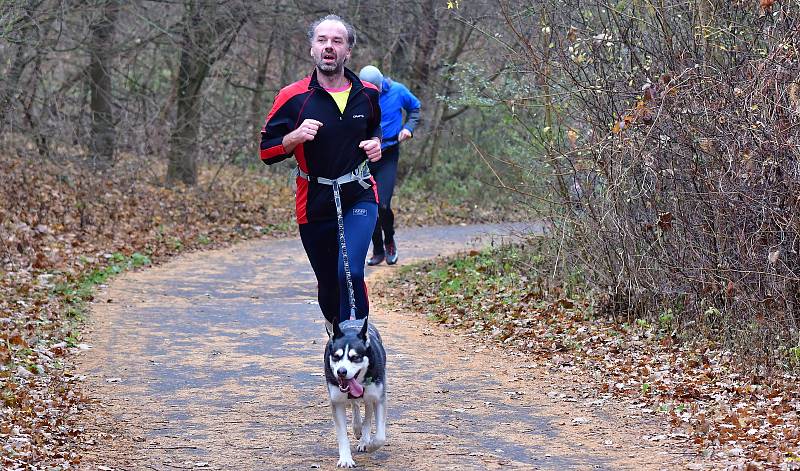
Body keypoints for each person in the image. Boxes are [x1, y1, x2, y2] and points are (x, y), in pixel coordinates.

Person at [259, 15, 382, 334]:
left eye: (337, 41)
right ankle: (335, 327)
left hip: (359, 193)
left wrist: (376, 144)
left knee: (350, 272)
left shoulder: (367, 93)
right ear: (312, 49)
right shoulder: (293, 97)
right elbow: (267, 151)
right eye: (322, 40)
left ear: (348, 51)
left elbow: (374, 130)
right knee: (329, 282)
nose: (329, 46)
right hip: (315, 201)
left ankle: (358, 345)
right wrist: (294, 137)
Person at [358, 65, 421, 266]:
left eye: (374, 90)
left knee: (383, 204)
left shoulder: (398, 90)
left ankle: (389, 241)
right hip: (364, 155)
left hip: (388, 153)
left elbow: (415, 108)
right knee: (369, 206)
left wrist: (408, 128)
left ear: (380, 85)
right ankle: (377, 249)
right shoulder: (357, 94)